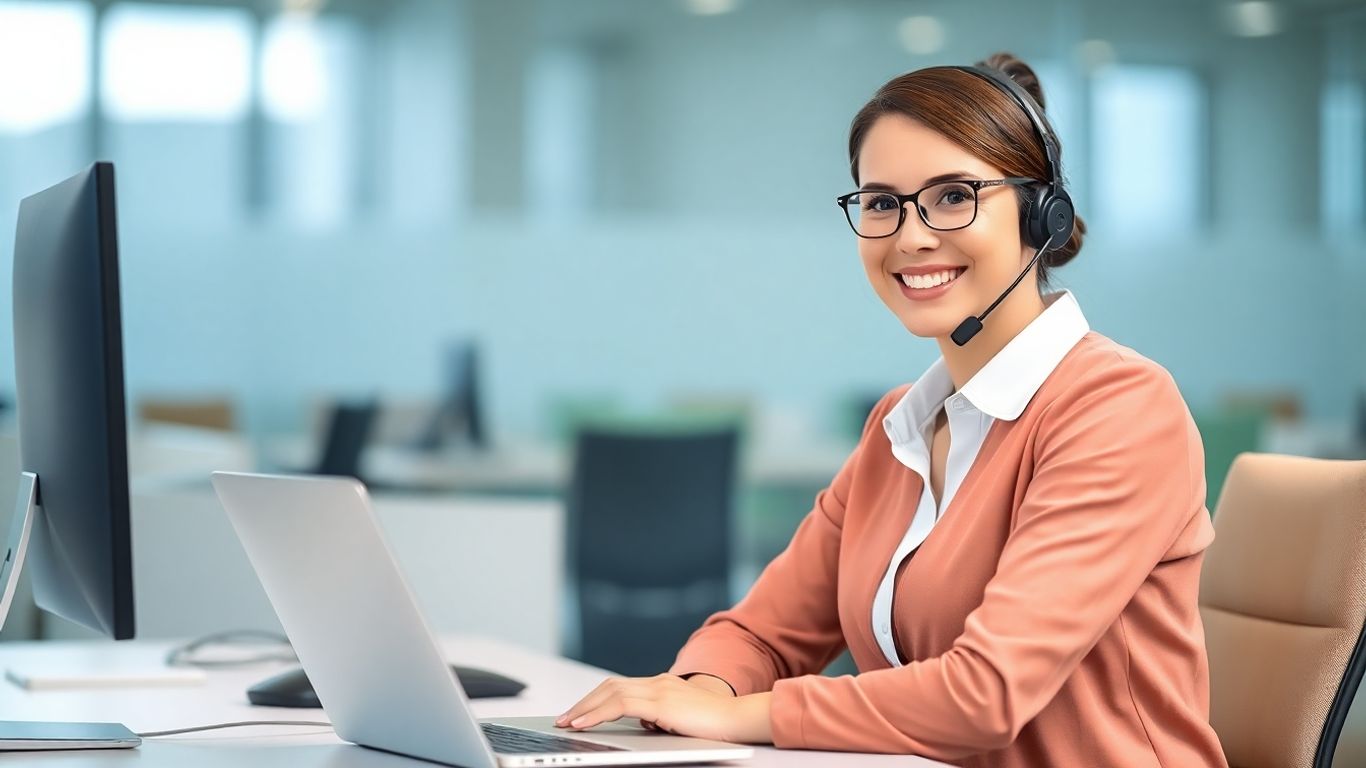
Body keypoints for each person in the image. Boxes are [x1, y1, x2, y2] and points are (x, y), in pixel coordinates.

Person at [555, 52, 1229, 768]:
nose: (910, 236)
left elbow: (985, 694)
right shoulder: (900, 425)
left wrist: (747, 715)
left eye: (952, 196)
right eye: (881, 203)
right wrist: (697, 693)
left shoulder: (1118, 409)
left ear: (1042, 214)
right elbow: (763, 634)